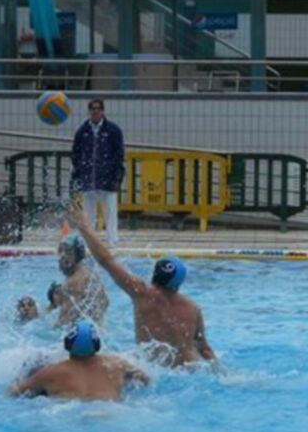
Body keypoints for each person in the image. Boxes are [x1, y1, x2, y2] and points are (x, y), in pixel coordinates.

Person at [68, 203, 215, 368]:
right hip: (190, 368)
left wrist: (84, 228)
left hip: (154, 368)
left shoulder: (142, 293)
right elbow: (206, 350)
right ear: (180, 282)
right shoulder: (193, 309)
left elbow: (106, 260)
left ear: (155, 275)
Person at [7, 321, 149, 401]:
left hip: (69, 419)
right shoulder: (118, 365)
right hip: (111, 416)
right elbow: (146, 380)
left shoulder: (52, 372)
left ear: (67, 344)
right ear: (97, 345)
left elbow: (13, 392)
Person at [71, 98, 125, 247]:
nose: (95, 111)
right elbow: (76, 154)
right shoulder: (82, 131)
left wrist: (116, 177)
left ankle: (112, 242)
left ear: (102, 111)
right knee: (88, 216)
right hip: (89, 180)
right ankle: (90, 242)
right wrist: (79, 175)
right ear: (89, 112)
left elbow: (119, 155)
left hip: (108, 180)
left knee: (110, 214)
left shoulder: (113, 130)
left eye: (98, 109)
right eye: (92, 109)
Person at [54, 233, 109, 326]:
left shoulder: (72, 282)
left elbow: (64, 321)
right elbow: (106, 303)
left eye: (68, 251)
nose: (62, 255)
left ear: (78, 255)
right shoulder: (91, 274)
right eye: (61, 250)